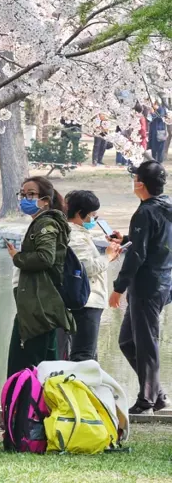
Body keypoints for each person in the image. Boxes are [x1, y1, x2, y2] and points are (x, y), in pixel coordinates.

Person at [111, 160, 172, 414]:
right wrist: (127, 239)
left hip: (147, 287)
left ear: (140, 184)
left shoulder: (145, 212)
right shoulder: (165, 206)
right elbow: (155, 241)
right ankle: (157, 395)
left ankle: (146, 401)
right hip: (162, 283)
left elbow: (137, 255)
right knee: (127, 341)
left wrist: (118, 288)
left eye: (135, 178)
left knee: (146, 343)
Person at [5, 177, 75, 377]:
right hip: (38, 305)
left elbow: (46, 257)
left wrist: (18, 257)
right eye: (22, 194)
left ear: (45, 201)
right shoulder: (43, 222)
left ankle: (25, 397)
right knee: (44, 368)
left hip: (38, 307)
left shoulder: (46, 224)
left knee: (26, 369)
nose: (24, 199)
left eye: (30, 195)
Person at [65, 190, 121, 362]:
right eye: (93, 215)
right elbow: (85, 268)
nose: (95, 219)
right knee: (84, 357)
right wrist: (108, 257)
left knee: (86, 355)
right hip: (87, 302)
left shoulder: (78, 233)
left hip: (86, 301)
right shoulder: (75, 236)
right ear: (79, 213)